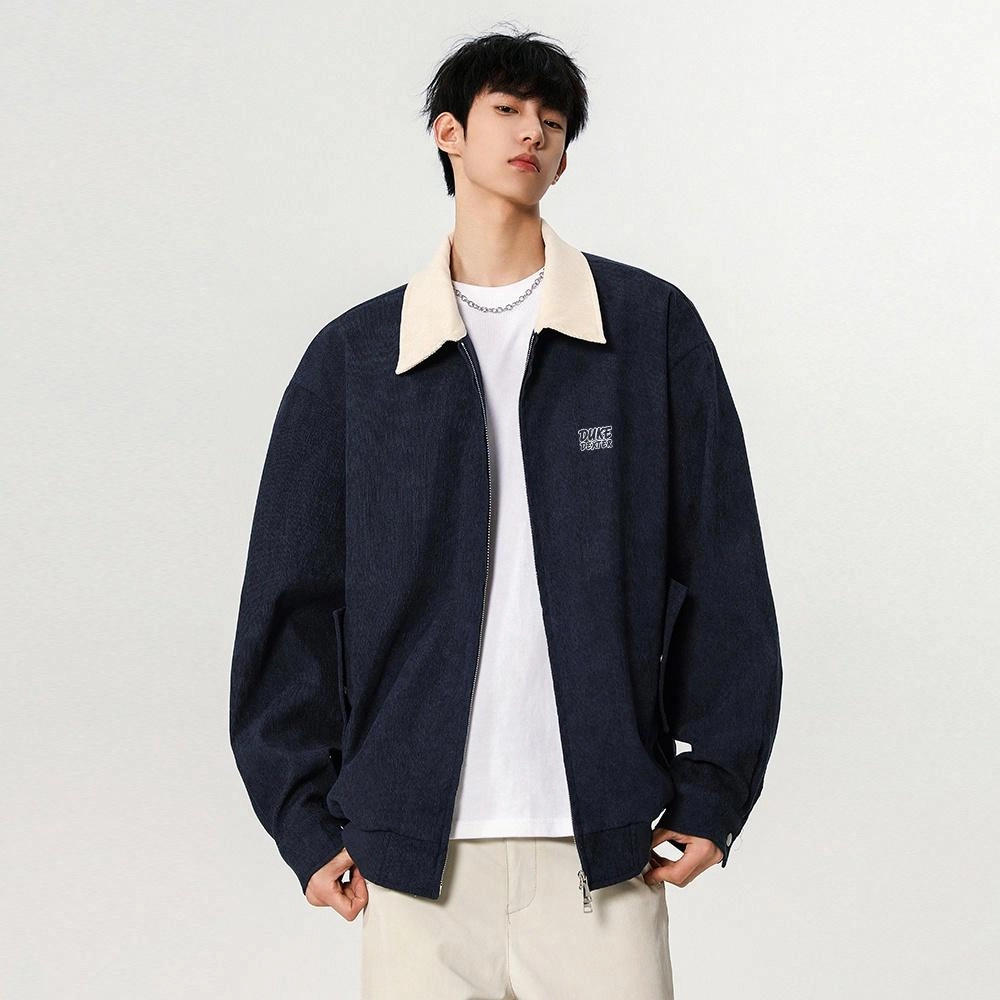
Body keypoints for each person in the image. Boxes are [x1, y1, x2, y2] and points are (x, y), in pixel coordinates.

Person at [229, 26, 782, 999]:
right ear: (448, 132)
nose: (533, 131)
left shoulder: (648, 331)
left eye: (553, 121)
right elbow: (290, 599)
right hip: (413, 854)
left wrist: (716, 790)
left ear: (565, 156)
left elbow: (723, 565)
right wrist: (302, 820)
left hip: (604, 845)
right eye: (507, 110)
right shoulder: (356, 359)